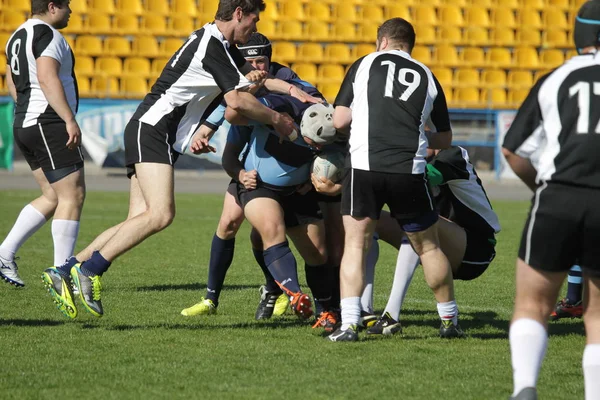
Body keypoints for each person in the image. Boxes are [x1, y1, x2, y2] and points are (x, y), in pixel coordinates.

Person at [41, 0, 317, 319]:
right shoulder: (213, 45)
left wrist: (295, 92)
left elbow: (256, 80)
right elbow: (237, 100)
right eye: (253, 20)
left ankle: (67, 270)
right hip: (153, 131)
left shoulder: (218, 44)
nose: (254, 28)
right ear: (239, 13)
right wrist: (277, 119)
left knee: (139, 217)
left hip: (151, 131)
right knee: (161, 214)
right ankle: (90, 272)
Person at [327, 18, 454, 342]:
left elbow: (340, 119)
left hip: (365, 167)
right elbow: (444, 138)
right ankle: (449, 320)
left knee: (356, 244)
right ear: (409, 45)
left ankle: (350, 324)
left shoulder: (365, 64)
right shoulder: (427, 75)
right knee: (428, 247)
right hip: (408, 170)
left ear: (382, 41)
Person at [502, 2, 600, 398]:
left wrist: (541, 190)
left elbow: (512, 151)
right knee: (597, 317)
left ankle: (525, 387)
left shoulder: (556, 77)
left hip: (556, 194)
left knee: (532, 304)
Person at [180, 32, 301, 319]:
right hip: (253, 166)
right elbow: (229, 121)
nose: (256, 68)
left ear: (270, 61)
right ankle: (211, 299)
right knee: (228, 222)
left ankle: (277, 289)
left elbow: (307, 100)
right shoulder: (241, 89)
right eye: (250, 62)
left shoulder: (286, 80)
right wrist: (207, 134)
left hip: (286, 167)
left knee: (266, 234)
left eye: (262, 61)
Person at [364, 146, 500, 336]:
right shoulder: (409, 160)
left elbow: (416, 180)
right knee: (369, 220)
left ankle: (391, 316)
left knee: (416, 223)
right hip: (442, 244)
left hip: (476, 249)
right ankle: (365, 311)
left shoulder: (453, 156)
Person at [1, 1, 85, 296]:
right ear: (52, 7)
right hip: (47, 122)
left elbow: (11, 78)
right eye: (68, 6)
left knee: (52, 196)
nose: (71, 12)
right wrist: (68, 119)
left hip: (24, 121)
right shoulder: (48, 35)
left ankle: (4, 253)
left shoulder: (17, 35)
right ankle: (61, 274)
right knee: (72, 195)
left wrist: (25, 108)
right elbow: (48, 77)